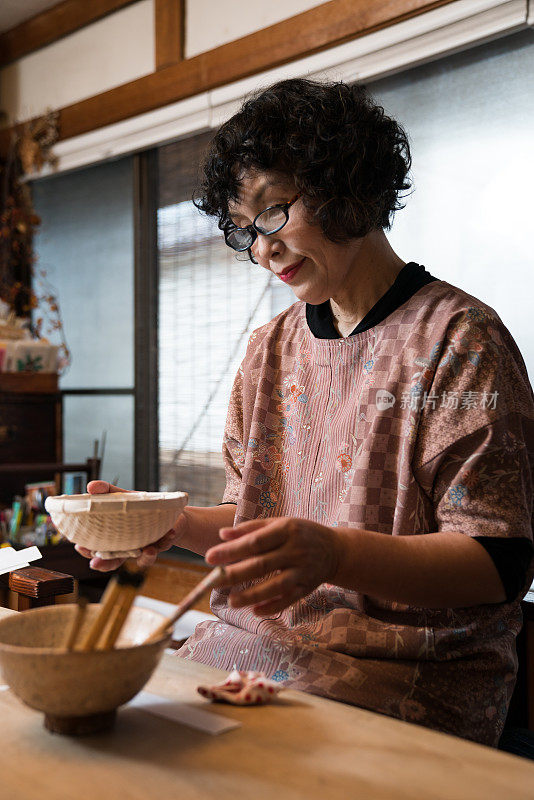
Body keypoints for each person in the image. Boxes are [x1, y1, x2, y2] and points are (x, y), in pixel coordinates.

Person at [79, 79, 534, 747]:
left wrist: (335, 554)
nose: (261, 248)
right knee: (111, 741)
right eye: (243, 230)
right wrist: (161, 522)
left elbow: (499, 563)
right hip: (252, 651)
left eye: (273, 213)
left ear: (346, 185)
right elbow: (251, 526)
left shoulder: (459, 340)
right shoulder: (268, 351)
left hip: (401, 674)